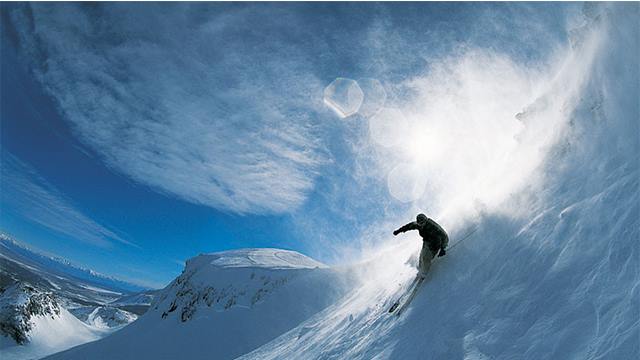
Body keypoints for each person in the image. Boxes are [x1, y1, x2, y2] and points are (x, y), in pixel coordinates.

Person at [393, 214, 448, 278]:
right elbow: (408, 226)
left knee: (426, 258)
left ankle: (424, 273)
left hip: (436, 244)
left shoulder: (433, 226)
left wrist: (443, 248)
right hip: (427, 242)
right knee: (421, 256)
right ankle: (420, 269)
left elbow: (445, 236)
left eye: (423, 223)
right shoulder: (417, 225)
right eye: (420, 223)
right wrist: (399, 231)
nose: (421, 225)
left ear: (426, 221)